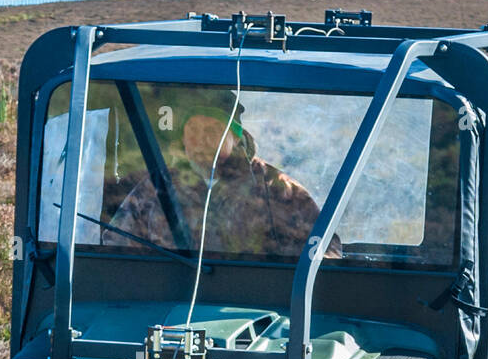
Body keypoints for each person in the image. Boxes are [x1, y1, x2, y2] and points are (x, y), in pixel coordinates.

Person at [104, 111, 340, 259]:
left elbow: (326, 250)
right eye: (193, 130)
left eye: (212, 130)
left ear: (236, 137)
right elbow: (116, 246)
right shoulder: (156, 186)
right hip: (168, 303)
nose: (200, 139)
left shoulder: (276, 187)